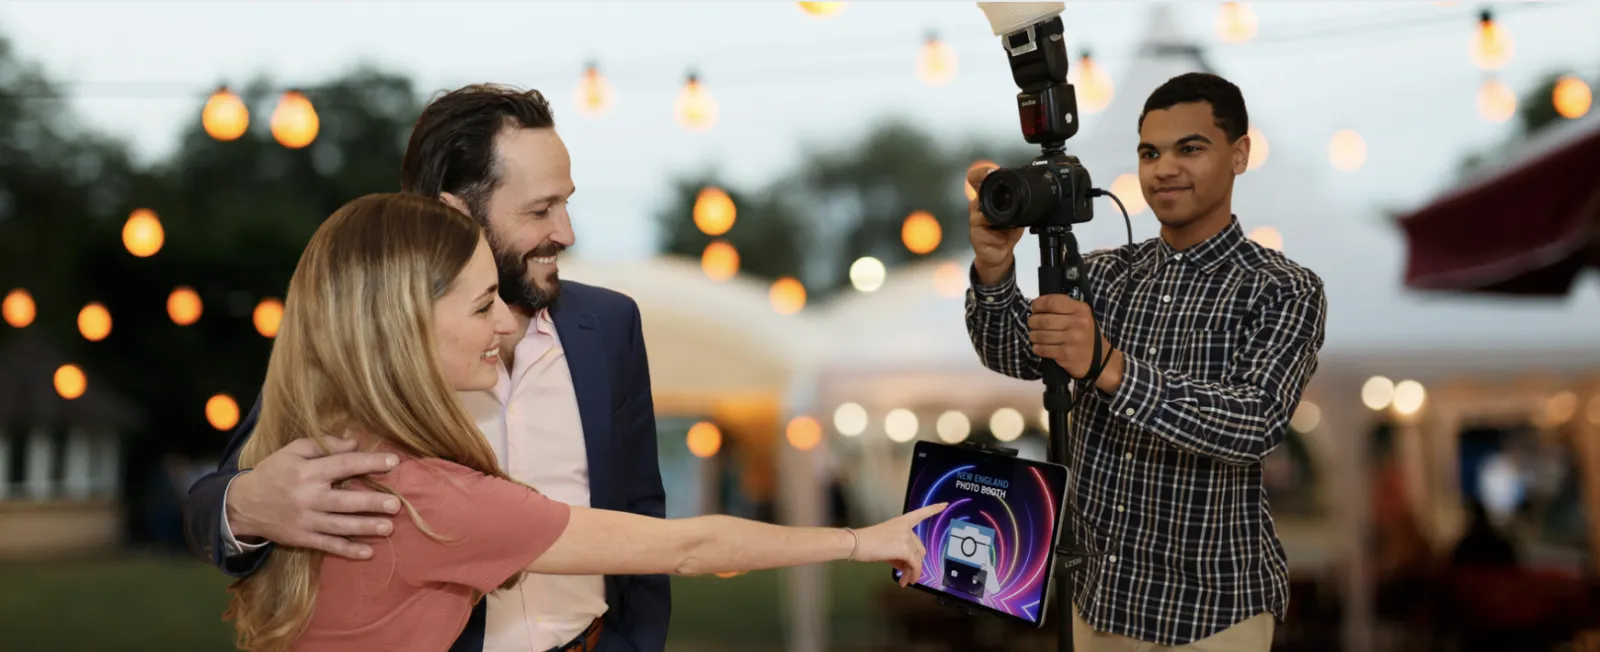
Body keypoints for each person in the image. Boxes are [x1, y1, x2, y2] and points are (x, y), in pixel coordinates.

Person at [220, 192, 945, 652]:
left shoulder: (315, 450)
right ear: (403, 328)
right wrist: (863, 539)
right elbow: (691, 546)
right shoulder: (428, 501)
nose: (507, 322)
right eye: (480, 306)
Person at [182, 84, 674, 652]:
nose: (565, 232)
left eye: (566, 202)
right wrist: (244, 505)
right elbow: (208, 500)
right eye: (541, 210)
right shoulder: (372, 345)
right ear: (455, 211)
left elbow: (641, 508)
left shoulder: (610, 326)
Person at [964, 72, 1327, 651]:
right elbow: (1009, 349)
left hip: (1212, 609)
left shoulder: (1282, 288)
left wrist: (1109, 365)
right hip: (1098, 598)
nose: (1164, 169)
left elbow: (1255, 422)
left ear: (1240, 155)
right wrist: (993, 270)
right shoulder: (1106, 275)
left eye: (1190, 148)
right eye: (1150, 152)